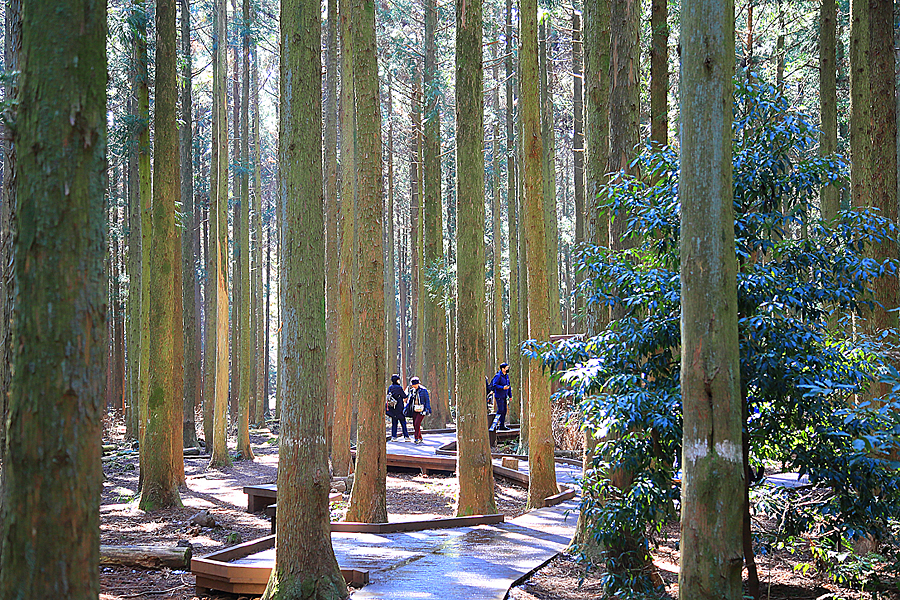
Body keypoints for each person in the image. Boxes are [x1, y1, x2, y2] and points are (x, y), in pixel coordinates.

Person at [406, 376, 431, 445]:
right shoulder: (412, 391)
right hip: (414, 409)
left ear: (417, 384)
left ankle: (416, 438)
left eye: (414, 384)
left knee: (417, 423)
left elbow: (427, 401)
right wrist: (406, 408)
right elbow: (409, 401)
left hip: (421, 410)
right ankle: (420, 437)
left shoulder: (423, 390)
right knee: (415, 424)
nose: (413, 386)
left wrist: (427, 409)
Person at [387, 374, 410, 442]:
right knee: (403, 422)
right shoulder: (399, 388)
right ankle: (406, 436)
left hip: (392, 408)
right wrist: (408, 393)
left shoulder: (390, 387)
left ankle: (394, 437)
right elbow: (404, 396)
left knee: (394, 423)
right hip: (399, 408)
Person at [490, 362, 512, 430]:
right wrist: (502, 387)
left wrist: (510, 395)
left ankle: (502, 425)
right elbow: (494, 385)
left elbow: (509, 386)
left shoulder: (506, 376)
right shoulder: (498, 375)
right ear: (503, 369)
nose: (508, 369)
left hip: (504, 396)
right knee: (500, 410)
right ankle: (493, 425)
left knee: (504, 410)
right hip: (499, 396)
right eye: (506, 368)